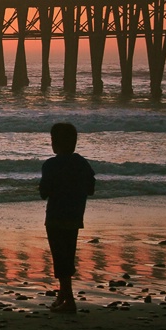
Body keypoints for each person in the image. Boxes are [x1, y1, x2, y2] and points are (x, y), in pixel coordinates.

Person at [39, 122, 95, 313]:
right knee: (67, 253)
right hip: (75, 215)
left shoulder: (51, 164)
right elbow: (91, 188)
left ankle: (69, 299)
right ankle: (63, 295)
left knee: (60, 256)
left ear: (55, 142)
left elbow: (43, 192)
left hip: (55, 216)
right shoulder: (81, 163)